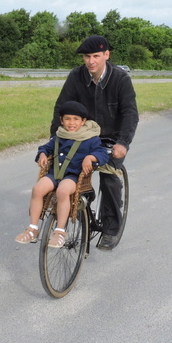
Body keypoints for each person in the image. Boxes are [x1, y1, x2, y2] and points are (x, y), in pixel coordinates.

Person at [49, 35, 139, 251]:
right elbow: (61, 108)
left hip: (111, 138)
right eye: (87, 57)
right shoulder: (76, 76)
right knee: (67, 173)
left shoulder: (120, 79)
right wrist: (55, 140)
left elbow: (130, 113)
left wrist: (122, 143)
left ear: (106, 55)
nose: (91, 61)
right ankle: (80, 206)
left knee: (109, 178)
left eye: (96, 56)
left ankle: (110, 228)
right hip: (82, 136)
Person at [15, 101, 109, 248]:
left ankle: (60, 232)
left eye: (76, 119)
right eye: (67, 119)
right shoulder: (59, 136)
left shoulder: (90, 138)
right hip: (55, 174)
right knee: (37, 189)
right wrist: (42, 154)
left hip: (75, 177)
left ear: (83, 121)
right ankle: (33, 228)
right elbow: (45, 147)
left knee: (63, 191)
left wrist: (90, 157)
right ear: (61, 120)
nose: (71, 123)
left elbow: (102, 153)